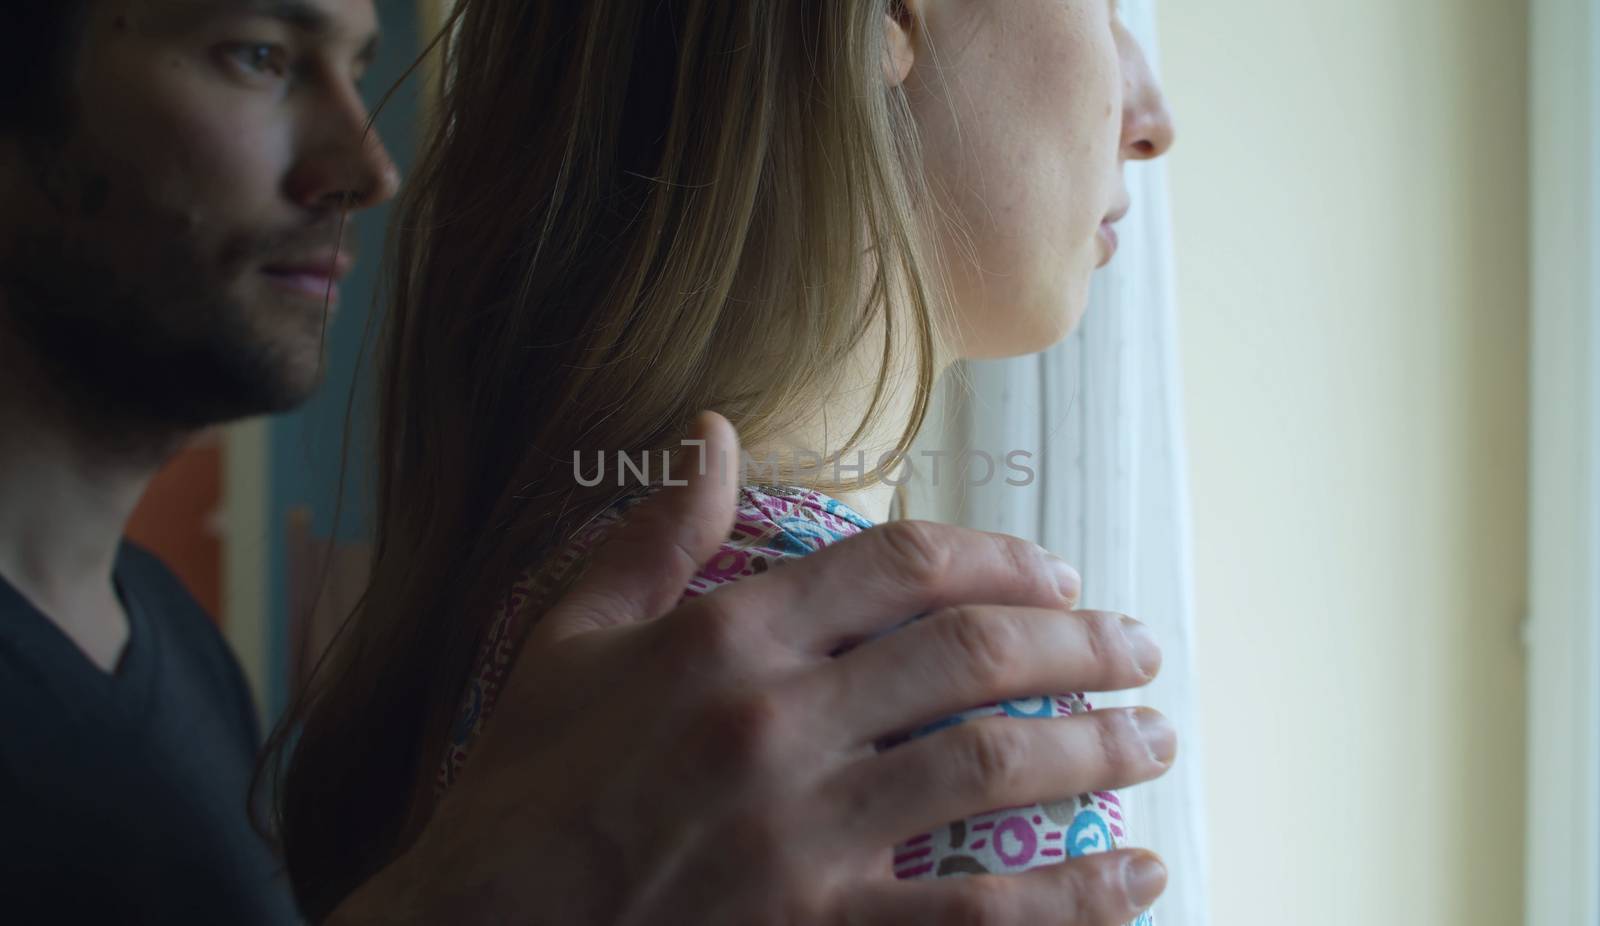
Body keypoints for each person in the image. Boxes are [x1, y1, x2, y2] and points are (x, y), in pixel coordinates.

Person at [0, 1, 1175, 923]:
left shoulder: (189, 656)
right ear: (888, 16)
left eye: (358, 71)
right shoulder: (873, 705)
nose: (367, 168)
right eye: (255, 54)